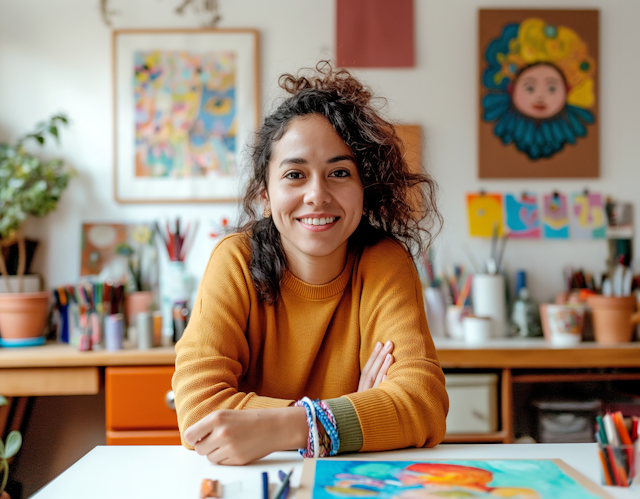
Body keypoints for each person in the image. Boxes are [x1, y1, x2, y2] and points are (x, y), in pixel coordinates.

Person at [172, 62, 449, 465]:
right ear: (265, 193)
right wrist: (355, 411)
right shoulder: (235, 260)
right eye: (295, 175)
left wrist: (289, 426)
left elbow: (423, 404)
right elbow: (200, 411)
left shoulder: (384, 262)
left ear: (364, 189)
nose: (317, 195)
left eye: (339, 172)